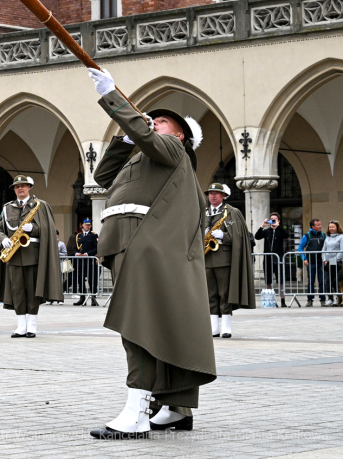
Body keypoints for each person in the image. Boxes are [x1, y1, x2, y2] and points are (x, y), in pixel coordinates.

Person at [86, 68, 215, 439]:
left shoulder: (173, 149)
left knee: (138, 325)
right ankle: (176, 408)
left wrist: (114, 99)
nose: (152, 123)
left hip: (143, 240)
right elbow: (102, 175)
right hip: (126, 239)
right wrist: (126, 135)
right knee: (157, 321)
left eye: (161, 121)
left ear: (181, 134)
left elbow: (151, 138)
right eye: (152, 120)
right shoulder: (143, 154)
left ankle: (136, 412)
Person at [0, 175, 63, 338]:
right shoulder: (7, 207)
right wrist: (4, 239)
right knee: (17, 291)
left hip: (33, 254)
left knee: (32, 291)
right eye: (17, 186)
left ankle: (32, 327)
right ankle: (20, 326)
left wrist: (34, 228)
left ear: (30, 187)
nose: (20, 188)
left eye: (23, 186)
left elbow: (48, 228)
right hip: (13, 255)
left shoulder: (40, 205)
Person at [203, 183, 255, 337]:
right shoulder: (203, 213)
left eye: (216, 193)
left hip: (223, 259)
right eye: (210, 193)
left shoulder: (232, 212)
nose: (213, 196)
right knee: (210, 294)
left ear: (223, 196)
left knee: (224, 293)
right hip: (206, 258)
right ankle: (214, 328)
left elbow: (240, 237)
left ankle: (226, 327)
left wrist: (224, 236)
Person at [254, 213, 287, 305]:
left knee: (280, 280)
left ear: (278, 221)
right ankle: (271, 300)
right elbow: (257, 236)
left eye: (275, 219)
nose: (273, 221)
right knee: (268, 280)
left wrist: (278, 226)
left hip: (278, 258)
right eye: (271, 219)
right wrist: (262, 226)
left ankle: (283, 300)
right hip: (268, 258)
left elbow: (286, 235)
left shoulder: (280, 231)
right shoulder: (267, 231)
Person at [299, 219, 327, 306]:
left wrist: (326, 259)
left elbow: (327, 247)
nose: (320, 226)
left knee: (322, 281)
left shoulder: (323, 235)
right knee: (311, 281)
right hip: (311, 262)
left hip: (321, 262)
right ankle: (310, 300)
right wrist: (304, 258)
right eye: (318, 225)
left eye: (320, 224)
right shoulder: (307, 236)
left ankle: (323, 300)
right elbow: (300, 248)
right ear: (313, 226)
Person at [73, 219, 99, 306]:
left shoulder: (94, 235)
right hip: (80, 261)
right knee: (80, 280)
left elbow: (97, 248)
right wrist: (76, 253)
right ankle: (82, 298)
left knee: (92, 280)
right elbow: (74, 248)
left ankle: (93, 298)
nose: (88, 226)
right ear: (82, 225)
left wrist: (87, 254)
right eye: (86, 225)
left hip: (90, 261)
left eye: (89, 225)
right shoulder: (78, 236)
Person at [322, 221, 343, 306]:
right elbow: (323, 250)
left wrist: (334, 260)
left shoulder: (341, 237)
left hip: (337, 262)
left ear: (337, 228)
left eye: (333, 227)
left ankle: (339, 298)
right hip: (327, 262)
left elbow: (342, 250)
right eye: (330, 227)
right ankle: (330, 298)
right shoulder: (327, 237)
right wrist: (324, 259)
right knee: (328, 281)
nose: (331, 229)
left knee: (337, 281)